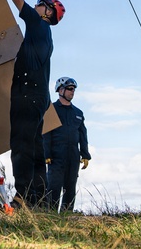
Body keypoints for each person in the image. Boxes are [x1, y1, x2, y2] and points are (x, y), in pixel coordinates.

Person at [0, 0, 65, 208]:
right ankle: (40, 200)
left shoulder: (37, 24)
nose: (35, 7)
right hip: (38, 98)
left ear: (48, 12)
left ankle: (22, 197)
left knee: (21, 146)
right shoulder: (45, 37)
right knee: (34, 150)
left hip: (26, 95)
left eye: (40, 4)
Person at [43, 76, 91, 212]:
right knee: (54, 187)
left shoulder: (78, 113)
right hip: (56, 156)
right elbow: (46, 134)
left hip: (73, 156)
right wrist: (47, 154)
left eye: (74, 89)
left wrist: (85, 155)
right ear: (60, 90)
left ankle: (67, 215)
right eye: (70, 89)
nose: (72, 92)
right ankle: (51, 215)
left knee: (70, 187)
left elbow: (83, 135)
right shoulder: (51, 110)